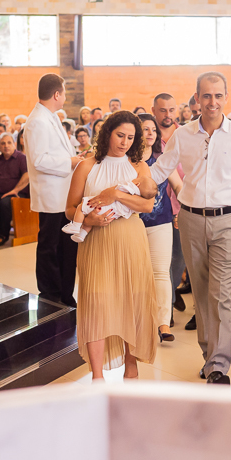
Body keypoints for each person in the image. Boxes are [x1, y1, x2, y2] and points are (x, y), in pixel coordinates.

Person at [150, 72, 231, 385]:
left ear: (226, 98)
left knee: (219, 295)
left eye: (217, 96)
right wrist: (128, 183)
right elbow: (161, 168)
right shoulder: (183, 134)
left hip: (229, 220)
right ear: (197, 98)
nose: (212, 102)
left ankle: (218, 366)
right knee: (201, 295)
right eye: (206, 96)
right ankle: (209, 357)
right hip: (189, 220)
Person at [66, 111, 158, 382]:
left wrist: (116, 194)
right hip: (96, 242)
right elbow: (69, 207)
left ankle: (132, 367)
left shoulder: (139, 166)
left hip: (130, 240)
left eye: (131, 137)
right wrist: (89, 218)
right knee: (96, 302)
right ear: (107, 133)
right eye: (120, 135)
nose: (125, 142)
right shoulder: (87, 165)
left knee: (133, 301)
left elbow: (148, 205)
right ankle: (97, 375)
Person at [23, 74, 83, 306]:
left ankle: (65, 294)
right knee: (51, 247)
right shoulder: (37, 120)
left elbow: (57, 153)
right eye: (64, 92)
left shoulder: (51, 117)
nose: (65, 97)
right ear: (56, 94)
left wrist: (75, 158)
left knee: (66, 248)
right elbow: (39, 160)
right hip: (51, 196)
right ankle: (50, 294)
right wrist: (71, 162)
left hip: (63, 193)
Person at [136, 113, 182, 343]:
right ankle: (139, 319)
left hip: (160, 222)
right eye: (145, 129)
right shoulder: (127, 162)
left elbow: (178, 186)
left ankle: (163, 322)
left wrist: (184, 210)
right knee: (135, 274)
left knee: (161, 272)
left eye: (153, 129)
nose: (151, 133)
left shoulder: (162, 160)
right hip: (131, 224)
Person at [152, 93, 189, 316]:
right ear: (154, 110)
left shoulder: (185, 133)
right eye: (163, 110)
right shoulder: (148, 134)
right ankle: (165, 308)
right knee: (160, 259)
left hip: (183, 200)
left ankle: (171, 296)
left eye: (171, 110)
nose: (168, 115)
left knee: (180, 257)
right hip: (157, 206)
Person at [0, 133, 29, 245]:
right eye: (3, 143)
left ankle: (2, 235)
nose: (6, 146)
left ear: (14, 144)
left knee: (4, 203)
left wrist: (15, 190)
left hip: (17, 194)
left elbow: (27, 175)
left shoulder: (21, 158)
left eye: (9, 143)